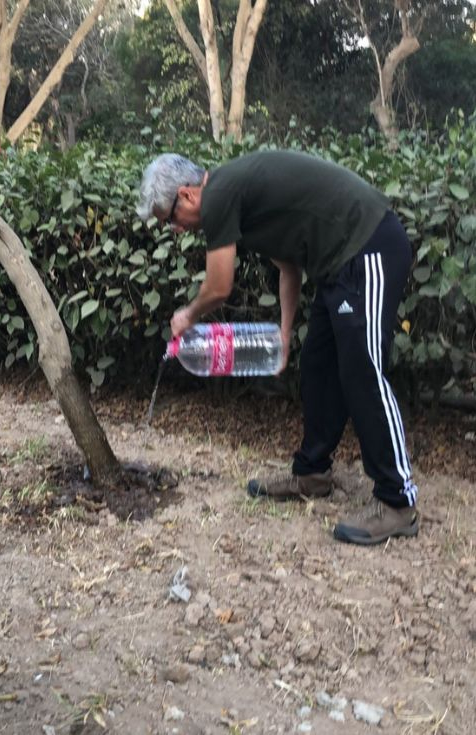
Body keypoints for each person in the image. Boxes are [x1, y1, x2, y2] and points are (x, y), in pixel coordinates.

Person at [137, 150, 419, 546]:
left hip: (367, 246)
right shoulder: (236, 200)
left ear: (186, 196)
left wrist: (189, 314)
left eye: (170, 219)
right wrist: (284, 336)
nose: (175, 229)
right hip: (336, 265)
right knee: (319, 368)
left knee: (363, 371)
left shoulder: (218, 195)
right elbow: (289, 266)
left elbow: (219, 287)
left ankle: (398, 502)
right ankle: (312, 473)